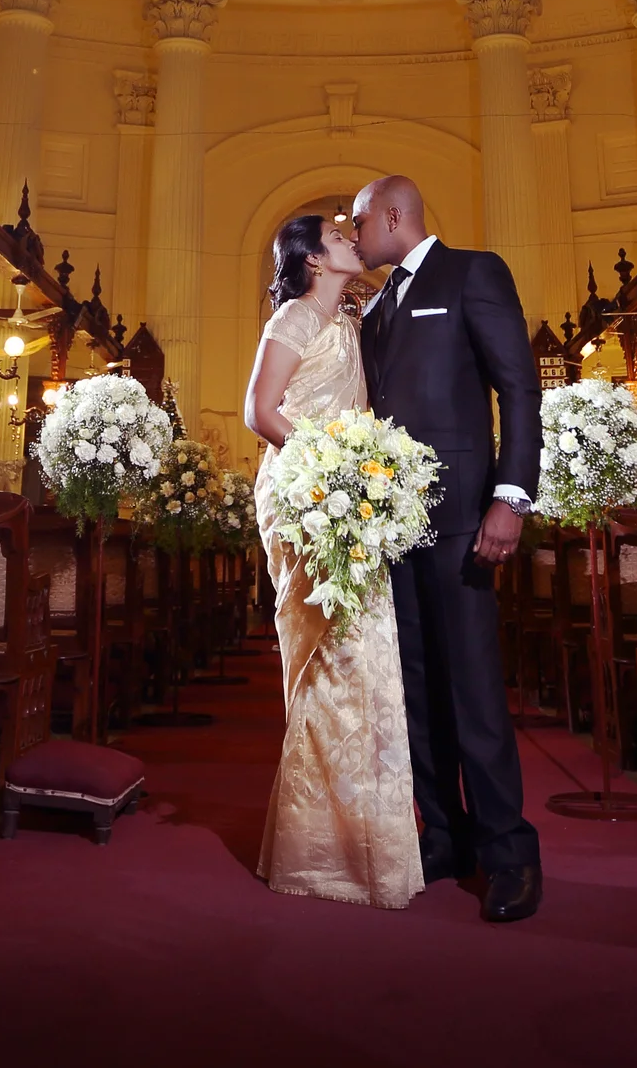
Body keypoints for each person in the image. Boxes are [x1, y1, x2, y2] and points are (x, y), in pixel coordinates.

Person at [349, 174, 544, 923]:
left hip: (465, 513)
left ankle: (509, 852)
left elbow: (517, 387)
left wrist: (510, 494)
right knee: (416, 689)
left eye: (360, 220)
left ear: (395, 215)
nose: (355, 232)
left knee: (473, 687)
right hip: (390, 522)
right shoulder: (374, 309)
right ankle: (445, 837)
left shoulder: (473, 272)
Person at [242, 211, 421, 908]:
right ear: (313, 259)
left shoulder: (349, 316)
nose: (352, 238)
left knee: (367, 660)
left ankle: (363, 845)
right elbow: (260, 411)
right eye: (339, 236)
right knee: (334, 656)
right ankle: (321, 852)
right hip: (306, 496)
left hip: (349, 497)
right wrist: (330, 468)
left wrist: (357, 479)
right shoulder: (292, 319)